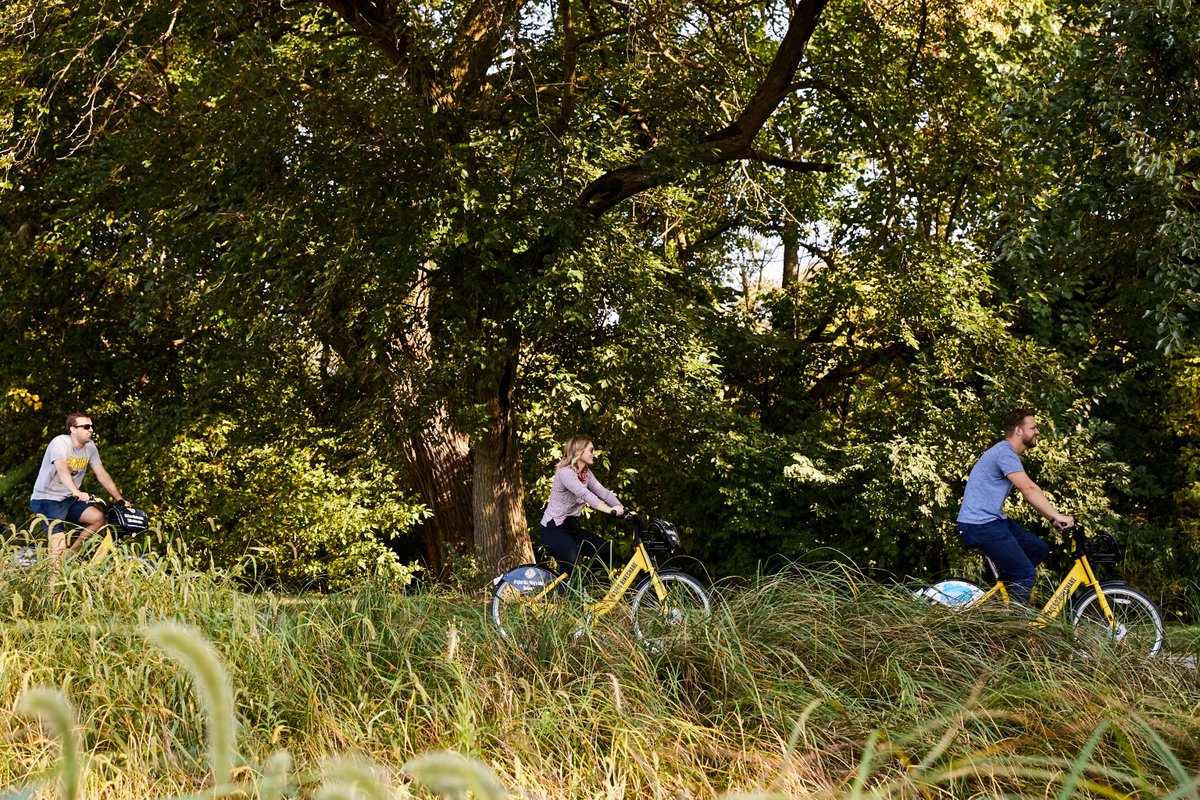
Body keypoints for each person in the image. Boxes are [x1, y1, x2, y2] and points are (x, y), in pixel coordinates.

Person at [956, 408, 1074, 605]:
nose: (1037, 432)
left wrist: (1054, 517)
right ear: (1019, 431)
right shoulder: (1004, 452)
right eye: (1033, 427)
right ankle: (1015, 629)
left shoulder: (1005, 452)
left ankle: (1000, 600)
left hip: (993, 520)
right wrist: (1056, 516)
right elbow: (1028, 489)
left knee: (1038, 549)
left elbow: (1030, 488)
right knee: (1025, 573)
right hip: (980, 524)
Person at [29, 413, 126, 558]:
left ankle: (71, 556)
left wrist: (120, 499)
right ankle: (52, 579)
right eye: (86, 426)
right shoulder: (60, 443)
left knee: (98, 518)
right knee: (58, 546)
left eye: (92, 426)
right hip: (46, 499)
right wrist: (76, 491)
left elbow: (102, 474)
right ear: (73, 429)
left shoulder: (90, 447)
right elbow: (62, 469)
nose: (91, 429)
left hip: (68, 499)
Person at [539, 436, 625, 575]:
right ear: (579, 452)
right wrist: (609, 510)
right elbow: (585, 494)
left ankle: (586, 585)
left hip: (570, 527)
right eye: (591, 450)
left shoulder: (586, 474)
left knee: (605, 551)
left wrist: (622, 508)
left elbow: (603, 492)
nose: (595, 453)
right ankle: (573, 590)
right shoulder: (565, 473)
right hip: (553, 529)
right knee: (574, 567)